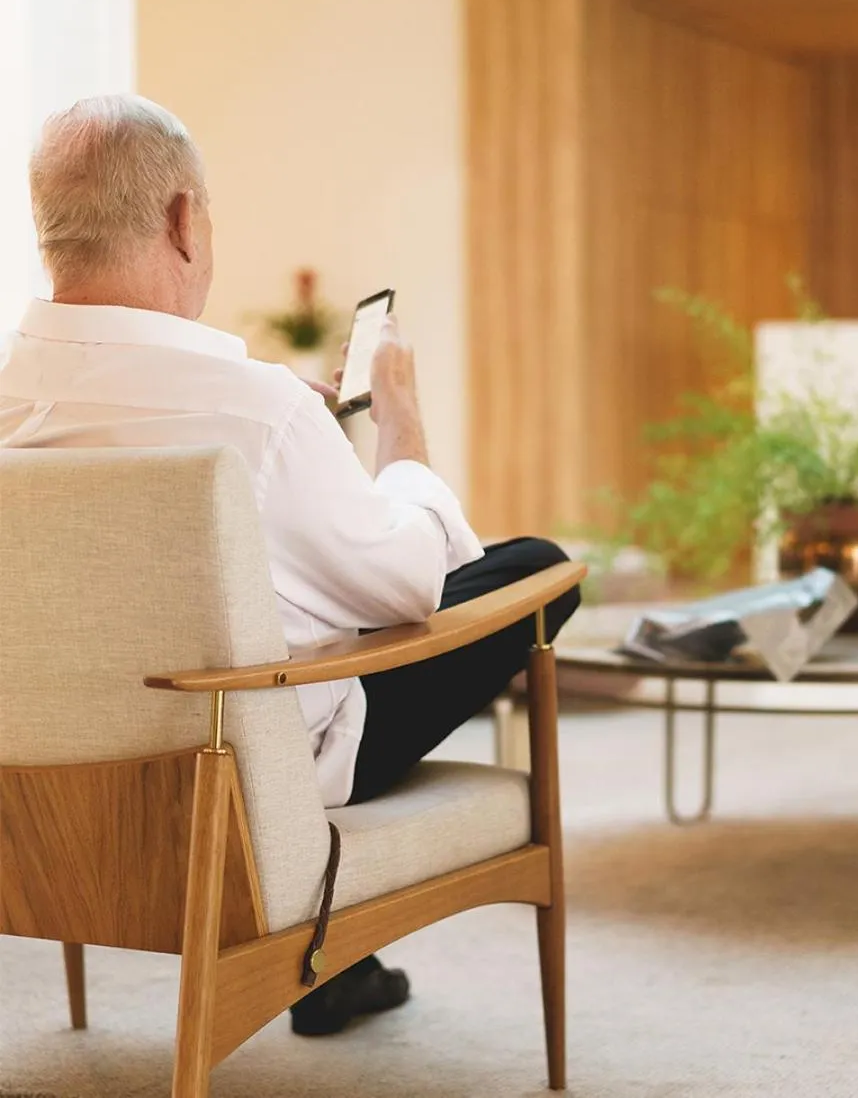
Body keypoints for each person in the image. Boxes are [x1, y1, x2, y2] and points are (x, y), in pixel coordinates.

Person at [0, 95, 581, 1037]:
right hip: (252, 788)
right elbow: (411, 591)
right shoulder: (259, 413)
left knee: (324, 582)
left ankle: (343, 967)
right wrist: (399, 424)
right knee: (537, 570)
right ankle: (327, 936)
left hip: (46, 800)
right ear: (184, 221)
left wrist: (295, 436)